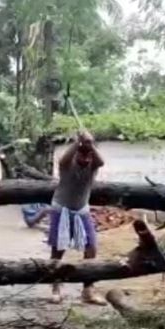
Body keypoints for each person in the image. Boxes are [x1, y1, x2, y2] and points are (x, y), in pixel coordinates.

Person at [47, 131, 106, 305]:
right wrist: (78, 141)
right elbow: (62, 159)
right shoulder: (67, 165)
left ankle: (88, 290)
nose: (86, 158)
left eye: (89, 155)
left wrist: (90, 143)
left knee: (91, 248)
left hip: (81, 211)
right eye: (83, 153)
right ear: (77, 153)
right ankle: (56, 288)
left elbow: (101, 161)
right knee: (58, 250)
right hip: (61, 209)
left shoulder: (93, 166)